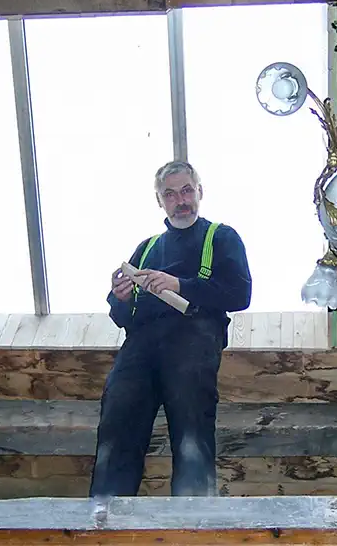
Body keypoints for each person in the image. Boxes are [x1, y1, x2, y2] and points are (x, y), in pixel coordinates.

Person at [89, 160, 252, 500]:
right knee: (116, 434)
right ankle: (103, 527)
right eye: (170, 194)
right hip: (140, 347)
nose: (181, 200)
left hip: (193, 339)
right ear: (159, 201)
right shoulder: (146, 247)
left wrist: (179, 284)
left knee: (192, 437)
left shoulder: (220, 237)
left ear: (200, 192)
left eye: (187, 190)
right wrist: (119, 297)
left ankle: (193, 528)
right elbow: (122, 316)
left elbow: (239, 293)